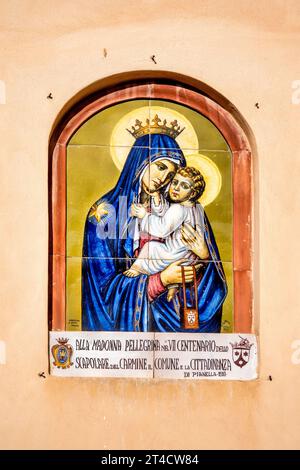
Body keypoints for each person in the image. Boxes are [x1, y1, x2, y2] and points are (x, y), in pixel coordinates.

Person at [81, 121, 227, 332]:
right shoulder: (105, 214)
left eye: (171, 175)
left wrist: (204, 255)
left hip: (173, 320)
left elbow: (212, 283)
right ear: (140, 160)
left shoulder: (185, 209)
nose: (163, 179)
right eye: (160, 167)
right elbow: (101, 293)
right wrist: (161, 280)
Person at [124, 166, 208, 302]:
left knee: (152, 247)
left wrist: (144, 215)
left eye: (184, 185)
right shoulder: (197, 208)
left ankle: (136, 269)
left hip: (173, 253)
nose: (176, 188)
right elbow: (166, 215)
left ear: (192, 193)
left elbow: (162, 228)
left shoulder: (178, 208)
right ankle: (173, 285)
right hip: (189, 257)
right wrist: (157, 198)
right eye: (175, 182)